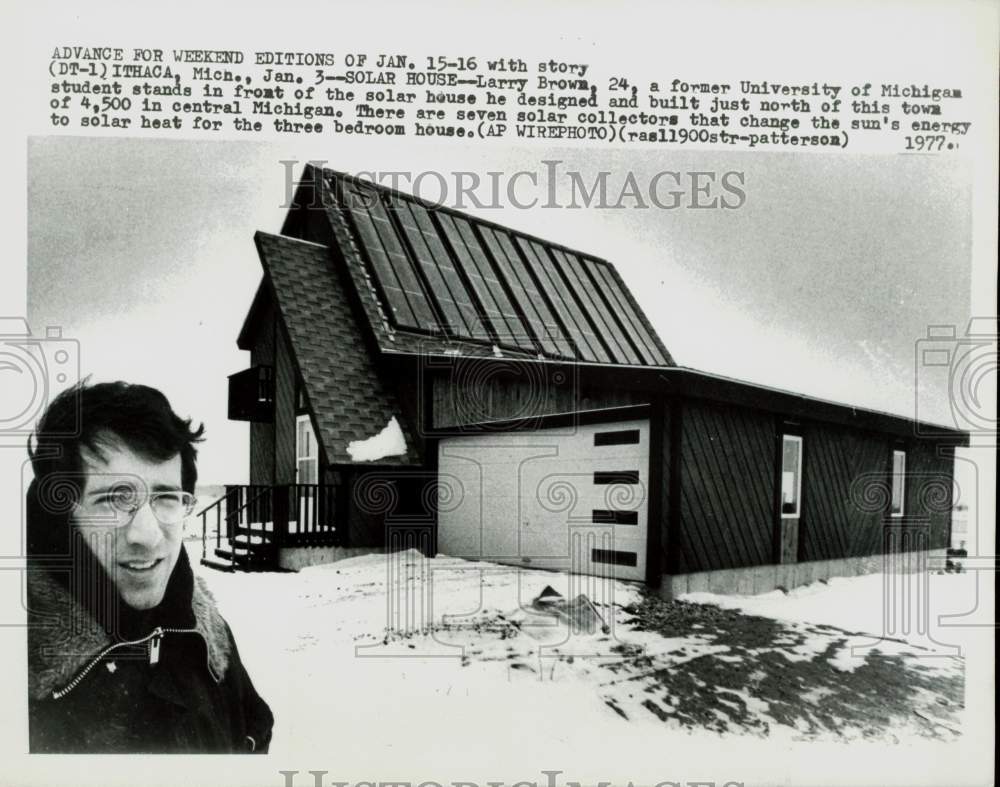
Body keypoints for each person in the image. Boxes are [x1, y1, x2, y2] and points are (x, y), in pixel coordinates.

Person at [26, 380, 274, 753]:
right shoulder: (19, 664)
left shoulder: (206, 633)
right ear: (62, 514)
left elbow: (255, 728)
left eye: (165, 497)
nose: (147, 535)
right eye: (114, 498)